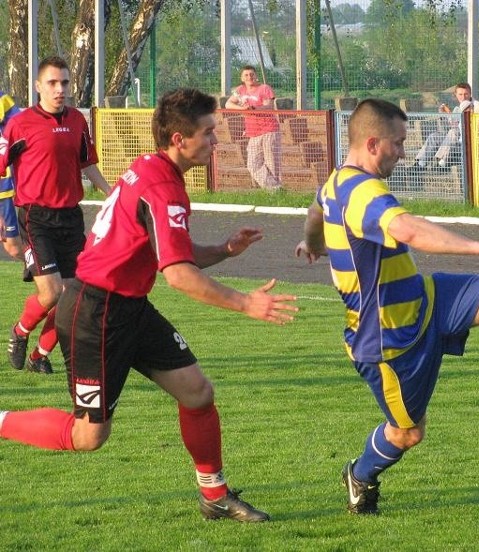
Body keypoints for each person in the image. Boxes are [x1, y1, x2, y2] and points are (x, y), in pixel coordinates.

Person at [0, 88, 298, 522]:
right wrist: (246, 303)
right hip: (94, 313)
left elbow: (169, 250)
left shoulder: (151, 167)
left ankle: (214, 496)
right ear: (179, 139)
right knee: (89, 435)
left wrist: (223, 250)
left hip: (129, 306)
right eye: (209, 133)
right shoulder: (162, 186)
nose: (216, 141)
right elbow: (177, 274)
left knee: (197, 393)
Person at [295, 98, 479, 515]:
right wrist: (477, 245)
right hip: (387, 339)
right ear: (374, 143)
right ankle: (360, 474)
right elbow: (407, 228)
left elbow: (314, 209)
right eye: (398, 143)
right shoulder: (362, 191)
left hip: (425, 299)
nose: (403, 151)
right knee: (408, 434)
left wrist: (313, 242)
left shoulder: (338, 183)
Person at [0, 56, 112, 375]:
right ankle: (20, 332)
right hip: (36, 219)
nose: (59, 89)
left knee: (75, 297)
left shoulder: (77, 120)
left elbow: (86, 163)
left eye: (64, 82)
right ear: (38, 87)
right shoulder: (19, 124)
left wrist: (112, 193)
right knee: (51, 293)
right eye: (52, 83)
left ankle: (39, 355)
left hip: (70, 218)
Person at [225, 66, 282, 191]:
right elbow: (228, 103)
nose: (249, 77)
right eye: (246, 75)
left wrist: (254, 109)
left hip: (269, 130)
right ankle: (275, 189)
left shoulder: (264, 88)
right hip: (253, 133)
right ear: (242, 78)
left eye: (251, 74)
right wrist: (242, 109)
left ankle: (275, 194)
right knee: (252, 164)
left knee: (272, 164)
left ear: (256, 76)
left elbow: (269, 106)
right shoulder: (240, 90)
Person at [414, 82, 479, 170]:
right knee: (434, 136)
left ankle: (441, 162)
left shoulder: (478, 106)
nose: (463, 97)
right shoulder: (457, 108)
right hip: (456, 139)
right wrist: (446, 114)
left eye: (466, 94)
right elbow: (453, 125)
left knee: (453, 132)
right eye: (460, 94)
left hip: (471, 140)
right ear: (455, 95)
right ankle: (420, 163)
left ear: (470, 94)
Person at [0, 90, 22, 260]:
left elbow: (21, 130)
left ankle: (57, 274)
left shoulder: (2, 100)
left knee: (13, 247)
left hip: (3, 189)